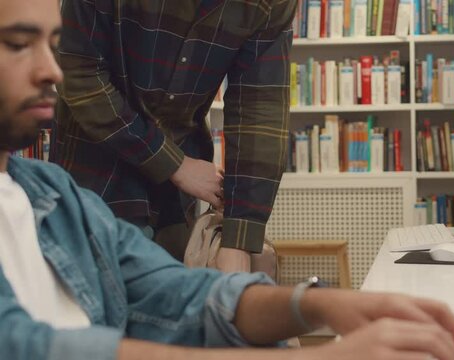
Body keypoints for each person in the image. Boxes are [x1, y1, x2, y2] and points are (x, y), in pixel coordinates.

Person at [0, 0, 454, 359]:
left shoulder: (54, 201)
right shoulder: (69, 196)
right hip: (97, 168)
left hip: (154, 195)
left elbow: (170, 296)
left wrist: (317, 306)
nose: (51, 70)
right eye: (20, 43)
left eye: (53, 42)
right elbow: (40, 347)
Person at [51, 0, 295, 269]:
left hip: (174, 201)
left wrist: (237, 241)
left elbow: (261, 110)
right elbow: (78, 73)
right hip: (94, 174)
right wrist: (174, 164)